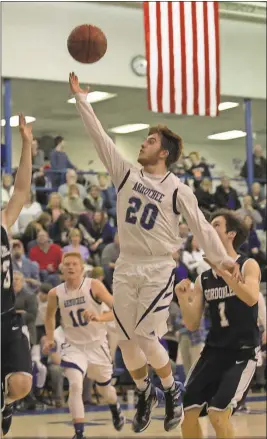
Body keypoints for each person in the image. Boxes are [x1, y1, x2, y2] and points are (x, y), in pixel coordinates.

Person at [69, 72, 240, 433]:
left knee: (146, 336)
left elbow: (201, 227)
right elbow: (99, 139)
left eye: (149, 141)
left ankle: (171, 391)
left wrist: (223, 260)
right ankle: (146, 391)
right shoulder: (126, 174)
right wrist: (83, 101)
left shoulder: (178, 189)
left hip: (158, 268)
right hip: (126, 265)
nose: (142, 145)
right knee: (127, 344)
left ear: (163, 153)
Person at [175, 210, 260, 439]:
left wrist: (226, 272)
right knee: (188, 414)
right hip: (213, 352)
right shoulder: (203, 277)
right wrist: (183, 299)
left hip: (241, 352)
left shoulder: (247, 264)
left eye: (216, 225)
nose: (208, 229)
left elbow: (251, 297)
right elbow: (192, 324)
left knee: (218, 415)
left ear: (230, 234)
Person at [44, 252, 125, 439]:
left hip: (97, 344)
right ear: (62, 268)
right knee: (75, 385)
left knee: (105, 390)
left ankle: (114, 406)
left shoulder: (93, 286)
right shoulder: (55, 293)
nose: (71, 267)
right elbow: (49, 317)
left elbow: (117, 309)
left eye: (74, 264)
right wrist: (49, 338)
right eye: (67, 264)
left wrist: (99, 317)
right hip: (73, 345)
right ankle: (79, 433)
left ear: (82, 268)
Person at [1, 114, 33, 436]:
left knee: (22, 383)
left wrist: (26, 143)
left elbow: (21, 189)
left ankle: (6, 401)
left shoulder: (2, 223)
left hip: (6, 316)